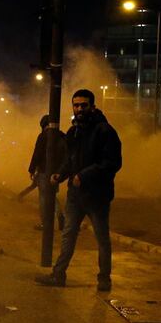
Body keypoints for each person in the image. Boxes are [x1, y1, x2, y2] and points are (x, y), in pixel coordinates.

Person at [35, 89, 122, 292]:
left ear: (92, 106)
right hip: (75, 195)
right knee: (68, 235)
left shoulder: (105, 131)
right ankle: (58, 275)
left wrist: (84, 176)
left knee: (102, 238)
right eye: (76, 105)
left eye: (84, 105)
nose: (80, 109)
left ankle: (104, 279)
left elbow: (112, 163)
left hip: (97, 195)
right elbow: (70, 160)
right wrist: (61, 174)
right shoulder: (74, 132)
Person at [28, 115, 66, 231]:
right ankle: (60, 216)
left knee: (43, 198)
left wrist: (32, 169)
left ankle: (45, 224)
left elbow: (37, 153)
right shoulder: (62, 136)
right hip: (56, 173)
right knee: (52, 196)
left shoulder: (43, 136)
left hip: (44, 171)